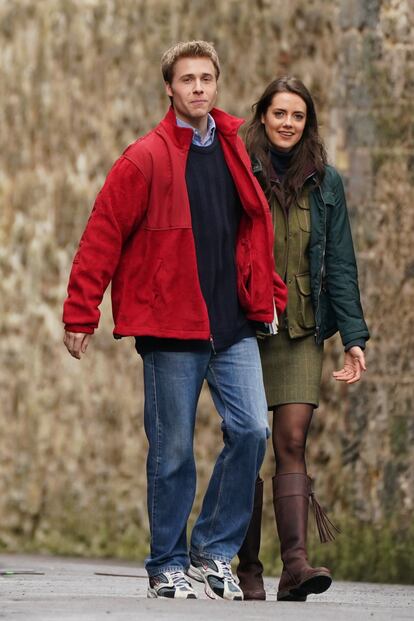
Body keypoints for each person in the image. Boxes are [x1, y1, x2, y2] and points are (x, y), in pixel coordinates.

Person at [62, 41, 287, 601]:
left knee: (253, 431)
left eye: (206, 79)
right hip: (171, 328)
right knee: (172, 452)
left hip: (231, 325)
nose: (198, 89)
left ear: (216, 84)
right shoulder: (144, 158)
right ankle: (166, 563)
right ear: (169, 87)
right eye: (187, 80)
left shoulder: (236, 148)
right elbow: (103, 233)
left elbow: (253, 231)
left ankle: (212, 550)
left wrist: (267, 292)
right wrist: (80, 311)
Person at [236, 76, 370, 602]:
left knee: (291, 441)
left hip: (302, 326)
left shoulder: (326, 182)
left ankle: (295, 566)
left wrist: (352, 337)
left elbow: (341, 264)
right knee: (247, 442)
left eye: (297, 116)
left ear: (306, 123)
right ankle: (248, 567)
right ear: (263, 117)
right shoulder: (240, 171)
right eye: (279, 114)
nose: (288, 123)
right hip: (244, 324)